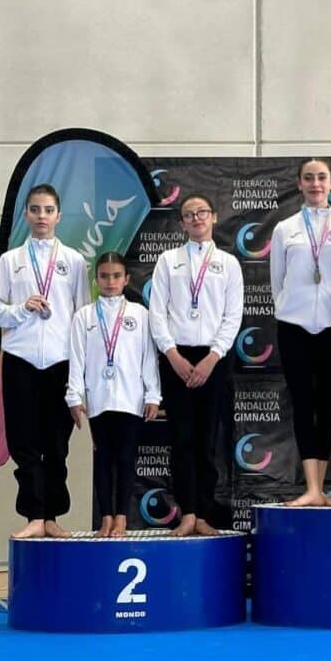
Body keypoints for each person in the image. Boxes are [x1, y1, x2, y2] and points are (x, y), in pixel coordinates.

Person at [0, 183, 90, 539]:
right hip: (20, 360)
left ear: (58, 216)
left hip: (60, 362)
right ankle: (34, 515)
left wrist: (80, 376)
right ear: (26, 214)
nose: (42, 216)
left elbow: (83, 317)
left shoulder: (73, 261)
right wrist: (19, 310)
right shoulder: (11, 261)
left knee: (56, 444)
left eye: (48, 210)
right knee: (23, 443)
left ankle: (52, 515)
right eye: (35, 209)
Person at [149, 193, 243, 537]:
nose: (196, 218)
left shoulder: (228, 263)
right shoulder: (167, 261)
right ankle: (186, 512)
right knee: (181, 438)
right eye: (189, 215)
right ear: (182, 223)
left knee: (208, 440)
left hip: (214, 360)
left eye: (202, 212)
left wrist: (212, 357)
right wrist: (172, 355)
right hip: (176, 358)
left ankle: (203, 512)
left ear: (214, 217)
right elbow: (157, 313)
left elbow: (233, 316)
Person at [270, 158, 331, 506]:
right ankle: (311, 488)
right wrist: (290, 307)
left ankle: (319, 488)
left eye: (322, 177)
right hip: (294, 327)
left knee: (327, 404)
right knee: (303, 403)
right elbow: (278, 280)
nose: (315, 183)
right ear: (299, 184)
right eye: (308, 178)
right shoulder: (285, 229)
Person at [66, 253, 160, 538]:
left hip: (130, 397)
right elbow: (77, 360)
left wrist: (153, 394)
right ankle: (105, 517)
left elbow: (148, 358)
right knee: (103, 458)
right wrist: (74, 396)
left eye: (116, 276)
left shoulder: (140, 315)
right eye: (104, 276)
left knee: (126, 457)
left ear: (126, 279)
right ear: (96, 280)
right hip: (98, 398)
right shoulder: (84, 316)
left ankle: (122, 517)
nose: (110, 281)